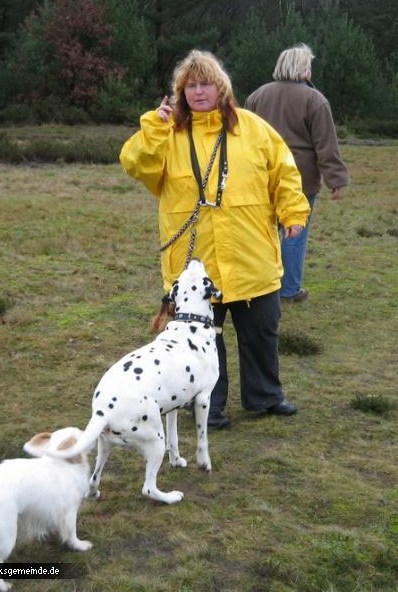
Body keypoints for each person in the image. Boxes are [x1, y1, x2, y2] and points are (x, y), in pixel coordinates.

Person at [119, 50, 310, 429]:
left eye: (205, 84)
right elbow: (136, 165)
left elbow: (283, 172)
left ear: (221, 88)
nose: (198, 91)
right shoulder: (168, 134)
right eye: (190, 86)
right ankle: (209, 405)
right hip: (195, 264)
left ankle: (265, 396)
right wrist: (154, 129)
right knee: (200, 340)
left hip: (250, 254)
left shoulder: (254, 129)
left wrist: (293, 212)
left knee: (261, 332)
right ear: (180, 92)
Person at [245, 43, 350, 302]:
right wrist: (336, 179)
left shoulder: (257, 95)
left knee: (261, 233)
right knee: (295, 234)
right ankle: (289, 290)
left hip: (260, 177)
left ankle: (257, 287)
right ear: (304, 69)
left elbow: (244, 138)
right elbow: (326, 144)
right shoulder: (315, 100)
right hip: (300, 181)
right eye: (310, 66)